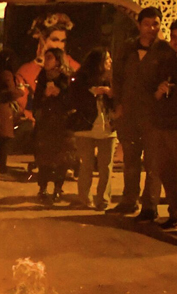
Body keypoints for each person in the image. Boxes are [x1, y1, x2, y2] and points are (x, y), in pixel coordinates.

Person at [109, 7, 173, 221]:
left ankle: (150, 205)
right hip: (128, 113)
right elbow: (117, 77)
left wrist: (159, 93)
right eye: (147, 24)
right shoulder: (127, 49)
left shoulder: (164, 51)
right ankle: (129, 200)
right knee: (130, 159)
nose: (151, 29)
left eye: (155, 24)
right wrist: (117, 104)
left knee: (153, 162)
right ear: (139, 25)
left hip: (153, 115)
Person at [68, 48, 116, 211]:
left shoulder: (112, 79)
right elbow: (74, 98)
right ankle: (84, 198)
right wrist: (93, 92)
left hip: (107, 127)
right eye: (107, 59)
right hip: (85, 127)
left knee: (106, 167)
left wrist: (111, 94)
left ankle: (103, 200)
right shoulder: (81, 79)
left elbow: (121, 98)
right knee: (86, 165)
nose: (110, 62)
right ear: (98, 62)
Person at [17, 13, 80, 113]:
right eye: (54, 40)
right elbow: (23, 107)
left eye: (62, 41)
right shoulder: (26, 72)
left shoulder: (75, 67)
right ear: (42, 39)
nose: (59, 46)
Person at [32, 48, 73, 203]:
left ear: (58, 60)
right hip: (45, 124)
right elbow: (35, 102)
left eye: (49, 58)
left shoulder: (68, 78)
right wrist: (44, 96)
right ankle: (42, 188)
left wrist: (59, 93)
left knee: (61, 159)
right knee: (44, 158)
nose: (46, 61)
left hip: (62, 125)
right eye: (45, 58)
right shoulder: (42, 77)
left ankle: (57, 188)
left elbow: (72, 100)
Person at [0, 49, 24, 176]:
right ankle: (2, 166)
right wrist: (21, 91)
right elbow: (12, 93)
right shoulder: (6, 74)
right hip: (4, 110)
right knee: (4, 140)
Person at [152, 45, 177, 229]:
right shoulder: (166, 62)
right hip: (165, 123)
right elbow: (151, 93)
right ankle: (174, 213)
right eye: (174, 36)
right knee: (167, 171)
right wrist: (158, 92)